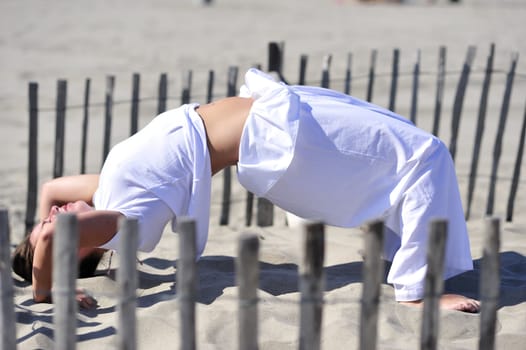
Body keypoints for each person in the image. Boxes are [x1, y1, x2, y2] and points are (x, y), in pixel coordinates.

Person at [13, 68, 480, 312]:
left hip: (277, 110)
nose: (50, 217)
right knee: (423, 155)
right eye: (46, 231)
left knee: (412, 149)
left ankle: (406, 262)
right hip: (280, 138)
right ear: (83, 247)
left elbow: (53, 190)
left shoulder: (106, 189)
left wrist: (43, 231)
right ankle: (415, 293)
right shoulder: (122, 223)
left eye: (43, 220)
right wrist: (46, 291)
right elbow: (58, 236)